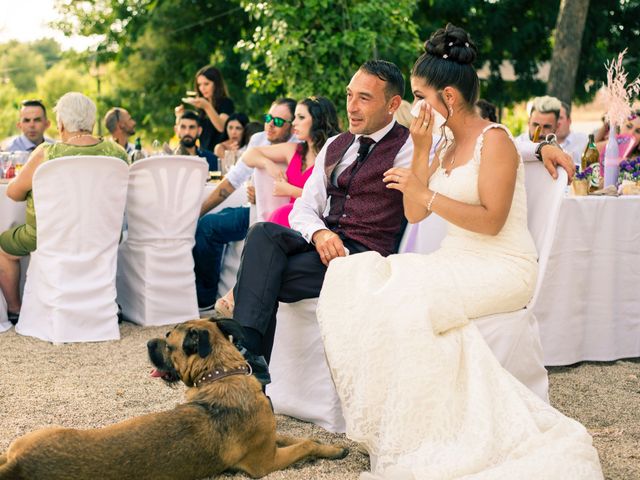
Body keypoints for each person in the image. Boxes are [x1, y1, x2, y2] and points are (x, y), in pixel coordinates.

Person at [316, 25, 602, 479]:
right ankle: (410, 425)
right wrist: (425, 151)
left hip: (502, 266)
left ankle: (443, 435)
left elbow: (491, 219)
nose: (413, 107)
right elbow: (413, 213)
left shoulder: (497, 141)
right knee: (363, 278)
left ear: (447, 97)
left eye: (418, 96)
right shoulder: (441, 141)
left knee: (405, 302)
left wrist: (426, 192)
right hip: (456, 260)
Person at [229, 60, 411, 385]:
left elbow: (474, 141)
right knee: (263, 233)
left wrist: (536, 146)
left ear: (393, 104)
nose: (352, 107)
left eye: (364, 98)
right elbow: (303, 207)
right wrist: (319, 231)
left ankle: (246, 376)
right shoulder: (335, 144)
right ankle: (251, 371)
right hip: (323, 244)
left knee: (262, 277)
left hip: (362, 255)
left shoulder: (409, 148)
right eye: (349, 95)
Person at [0, 92, 128, 325]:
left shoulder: (46, 154)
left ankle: (16, 309)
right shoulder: (117, 153)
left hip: (50, 235)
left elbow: (12, 193)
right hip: (103, 234)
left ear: (59, 124)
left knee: (3, 249)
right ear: (91, 121)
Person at [213, 96, 340, 317]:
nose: (294, 124)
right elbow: (251, 154)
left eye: (301, 117)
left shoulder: (331, 152)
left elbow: (331, 199)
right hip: (290, 218)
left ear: (317, 120)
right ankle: (239, 296)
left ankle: (236, 293)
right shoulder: (295, 150)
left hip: (312, 219)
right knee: (268, 226)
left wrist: (290, 190)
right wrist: (267, 164)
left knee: (271, 223)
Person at [193, 98, 297, 311]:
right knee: (206, 223)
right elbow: (233, 180)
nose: (269, 124)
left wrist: (263, 192)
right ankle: (206, 298)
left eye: (277, 121)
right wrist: (197, 212)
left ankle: (212, 299)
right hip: (252, 209)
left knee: (212, 226)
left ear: (292, 125)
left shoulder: (299, 145)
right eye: (268, 118)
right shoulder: (259, 139)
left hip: (278, 217)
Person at [175, 65, 234, 152]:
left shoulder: (226, 103)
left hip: (219, 154)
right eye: (199, 85)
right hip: (204, 153)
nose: (202, 88)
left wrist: (207, 106)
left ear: (216, 84)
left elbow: (222, 127)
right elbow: (192, 131)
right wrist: (179, 116)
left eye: (206, 84)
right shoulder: (201, 107)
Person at [556, 101, 588, 165]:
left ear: (569, 121)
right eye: (554, 119)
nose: (557, 122)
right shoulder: (543, 144)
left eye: (560, 118)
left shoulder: (584, 140)